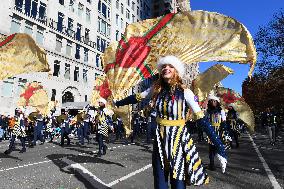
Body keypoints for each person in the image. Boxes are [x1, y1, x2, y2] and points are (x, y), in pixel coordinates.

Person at [115, 56, 227, 188]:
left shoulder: (186, 93)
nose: (166, 68)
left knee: (178, 184)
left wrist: (220, 148)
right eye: (163, 66)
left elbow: (202, 120)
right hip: (160, 143)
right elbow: (136, 97)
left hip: (179, 143)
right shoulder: (155, 90)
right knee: (160, 183)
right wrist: (117, 103)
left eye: (170, 66)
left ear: (176, 71)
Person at [205, 95, 230, 171]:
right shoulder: (208, 111)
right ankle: (212, 165)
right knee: (211, 149)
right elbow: (206, 121)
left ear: (217, 102)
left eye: (215, 101)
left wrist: (224, 131)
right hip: (211, 131)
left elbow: (224, 121)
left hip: (219, 131)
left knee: (219, 148)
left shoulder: (221, 111)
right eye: (211, 101)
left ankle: (222, 162)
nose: (213, 102)